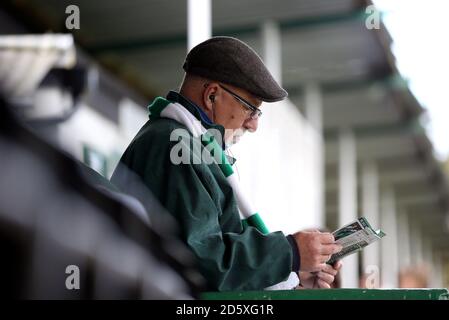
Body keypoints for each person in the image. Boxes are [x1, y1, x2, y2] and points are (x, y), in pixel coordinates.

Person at [111, 36, 342, 291]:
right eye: (251, 109)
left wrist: (291, 274)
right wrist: (289, 253)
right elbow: (205, 262)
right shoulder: (177, 146)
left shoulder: (190, 145)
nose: (253, 125)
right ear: (211, 96)